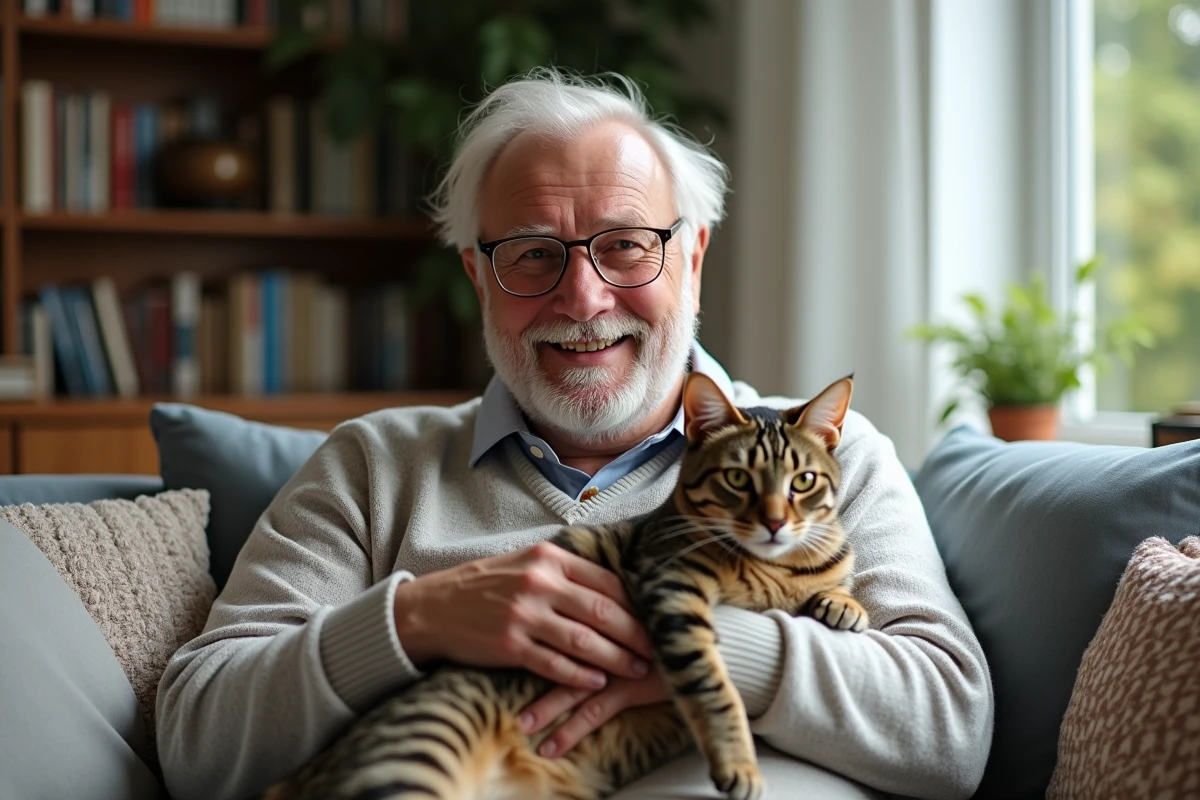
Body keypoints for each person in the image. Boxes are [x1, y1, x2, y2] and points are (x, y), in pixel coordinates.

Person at [156, 69, 993, 800]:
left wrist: (696, 644)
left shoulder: (828, 462)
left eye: (625, 246)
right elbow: (196, 741)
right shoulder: (373, 466)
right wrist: (413, 621)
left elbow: (950, 733)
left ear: (692, 260)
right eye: (530, 254)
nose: (584, 299)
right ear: (477, 276)